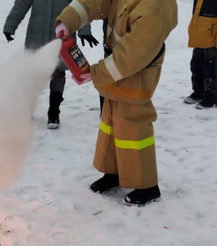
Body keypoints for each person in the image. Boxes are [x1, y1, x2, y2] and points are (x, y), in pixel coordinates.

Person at [56, 0, 178, 206]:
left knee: (133, 128)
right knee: (111, 122)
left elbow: (134, 54)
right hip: (116, 67)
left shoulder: (156, 6)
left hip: (136, 73)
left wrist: (97, 73)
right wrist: (68, 20)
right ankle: (114, 173)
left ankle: (147, 186)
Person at [3, 0, 99, 129]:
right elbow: (22, 4)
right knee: (33, 73)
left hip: (61, 35)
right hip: (36, 34)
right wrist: (10, 25)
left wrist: (84, 30)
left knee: (58, 72)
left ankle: (54, 111)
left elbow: (81, 7)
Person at [184, 0, 217, 109]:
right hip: (200, 37)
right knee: (196, 66)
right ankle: (198, 92)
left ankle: (210, 98)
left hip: (214, 40)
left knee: (210, 69)